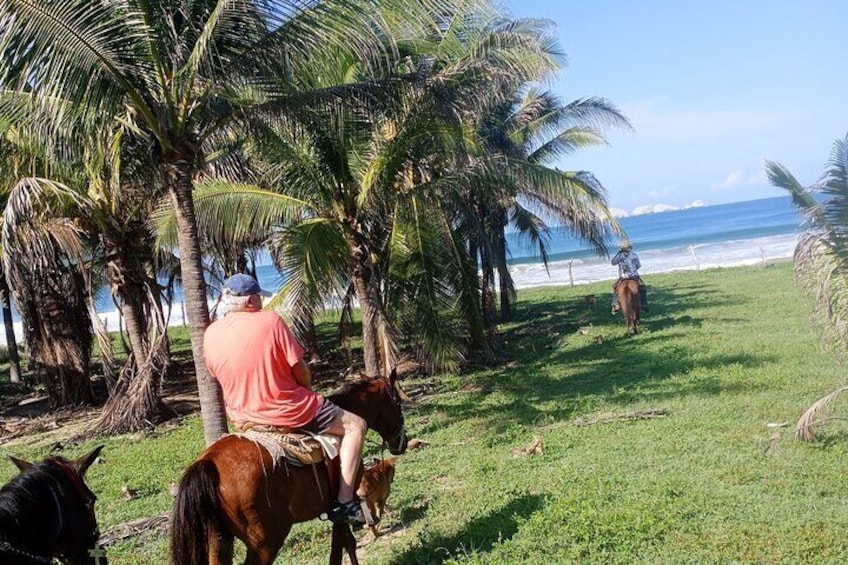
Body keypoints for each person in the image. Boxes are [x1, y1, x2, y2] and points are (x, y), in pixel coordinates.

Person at [203, 273, 367, 525]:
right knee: (356, 426)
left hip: (243, 418)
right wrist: (307, 391)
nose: (261, 302)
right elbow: (299, 368)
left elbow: (219, 375)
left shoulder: (211, 333)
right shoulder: (270, 321)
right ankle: (345, 502)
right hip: (288, 409)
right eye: (258, 297)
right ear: (250, 301)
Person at [611, 242, 648, 313]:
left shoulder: (619, 255)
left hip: (623, 277)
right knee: (642, 288)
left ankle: (615, 304)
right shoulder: (634, 254)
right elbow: (638, 265)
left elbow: (613, 263)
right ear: (629, 247)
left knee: (615, 288)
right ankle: (644, 303)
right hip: (634, 276)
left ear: (621, 248)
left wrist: (618, 253)